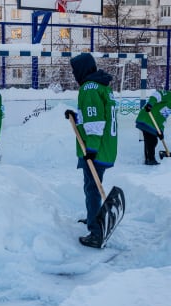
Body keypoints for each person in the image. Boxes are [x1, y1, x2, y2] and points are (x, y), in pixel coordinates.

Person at [65, 53, 117, 248]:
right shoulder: (103, 85)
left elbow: (95, 121)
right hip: (106, 146)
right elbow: (93, 115)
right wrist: (76, 116)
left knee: (93, 188)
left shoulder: (89, 88)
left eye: (74, 70)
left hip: (96, 148)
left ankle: (96, 232)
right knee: (92, 186)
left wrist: (92, 149)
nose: (73, 74)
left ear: (82, 70)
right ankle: (92, 218)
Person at [135, 90, 171, 165]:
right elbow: (157, 94)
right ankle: (150, 160)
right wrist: (150, 104)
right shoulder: (170, 96)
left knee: (151, 141)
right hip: (147, 118)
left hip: (151, 123)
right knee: (151, 140)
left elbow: (162, 119)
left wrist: (161, 131)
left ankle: (148, 159)